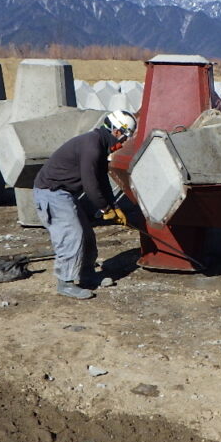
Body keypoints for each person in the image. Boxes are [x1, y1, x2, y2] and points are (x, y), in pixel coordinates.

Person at [33, 110, 137, 300]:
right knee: (72, 234)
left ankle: (86, 274)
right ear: (116, 131)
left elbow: (102, 180)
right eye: (125, 137)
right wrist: (105, 208)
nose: (124, 143)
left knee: (86, 234)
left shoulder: (100, 144)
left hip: (65, 193)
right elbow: (90, 185)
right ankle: (65, 282)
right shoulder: (93, 146)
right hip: (52, 192)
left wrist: (114, 206)